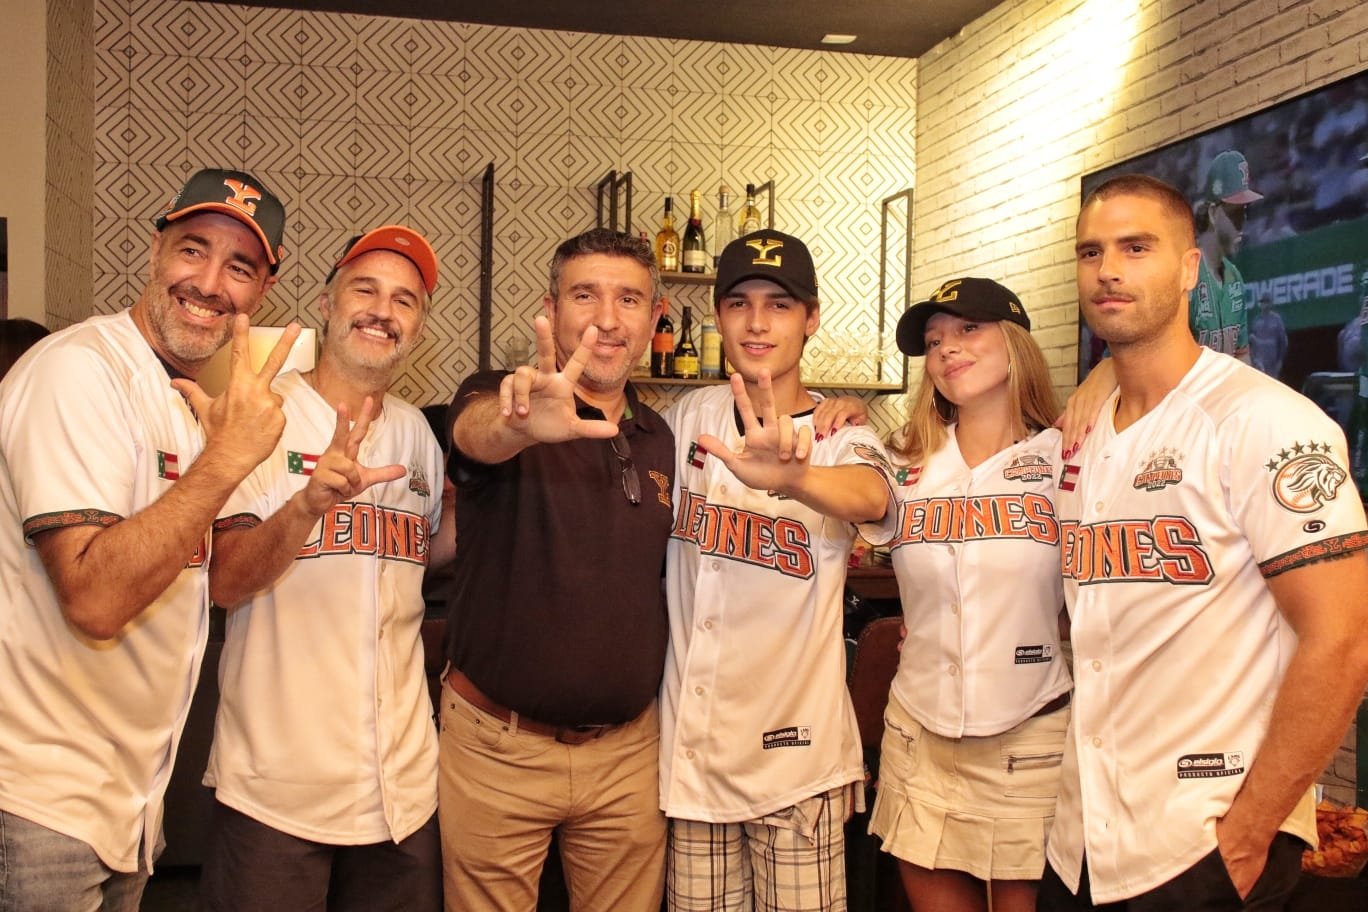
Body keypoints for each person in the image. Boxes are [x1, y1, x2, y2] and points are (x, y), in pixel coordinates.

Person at [1040, 173, 1368, 909]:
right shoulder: (1083, 433)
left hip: (1204, 841)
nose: (1109, 270)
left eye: (1136, 247)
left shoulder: (1265, 421)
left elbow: (1344, 640)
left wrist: (1251, 834)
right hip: (1080, 841)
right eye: (1090, 252)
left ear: (1191, 268)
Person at [0, 167, 293, 909]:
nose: (209, 282)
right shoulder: (79, 372)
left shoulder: (188, 402)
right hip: (37, 803)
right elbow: (94, 598)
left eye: (240, 267)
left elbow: (221, 573)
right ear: (158, 249)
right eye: (193, 249)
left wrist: (313, 499)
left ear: (262, 294)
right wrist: (229, 458)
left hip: (127, 806)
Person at [200, 225, 449, 912]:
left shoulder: (415, 435)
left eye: (405, 299)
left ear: (419, 325)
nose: (382, 310)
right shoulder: (261, 416)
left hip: (400, 792)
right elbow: (225, 581)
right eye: (364, 289)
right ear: (327, 301)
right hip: (277, 790)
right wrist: (307, 504)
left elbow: (433, 552)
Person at [439, 228, 674, 911]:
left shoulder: (661, 437)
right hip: (498, 751)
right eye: (584, 295)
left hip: (629, 756)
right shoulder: (499, 395)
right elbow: (475, 433)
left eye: (629, 298)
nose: (607, 317)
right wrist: (518, 425)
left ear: (655, 320)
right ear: (550, 310)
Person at [661, 230, 894, 912]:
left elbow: (873, 496)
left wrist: (801, 478)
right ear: (718, 316)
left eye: (779, 304)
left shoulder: (845, 435)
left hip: (798, 765)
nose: (757, 322)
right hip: (693, 758)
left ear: (811, 318)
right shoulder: (687, 419)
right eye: (738, 303)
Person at [863, 277, 1072, 912]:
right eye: (933, 340)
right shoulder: (901, 460)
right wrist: (832, 410)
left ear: (1015, 343)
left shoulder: (1070, 458)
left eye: (967, 330)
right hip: (917, 735)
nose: (948, 348)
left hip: (1030, 734)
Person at [1190, 149, 1261, 362]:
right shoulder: (1186, 275)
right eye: (1235, 213)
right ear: (1212, 214)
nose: (1243, 222)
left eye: (1246, 211)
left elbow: (1242, 356)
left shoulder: (1234, 277)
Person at [1247, 293, 1288, 378]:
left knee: (1272, 382)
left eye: (1266, 302)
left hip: (1272, 360)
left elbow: (1283, 342)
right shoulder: (1257, 320)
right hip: (1259, 361)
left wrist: (1280, 360)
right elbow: (1251, 341)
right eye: (1262, 302)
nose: (1264, 305)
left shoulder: (1276, 319)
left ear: (1271, 303)